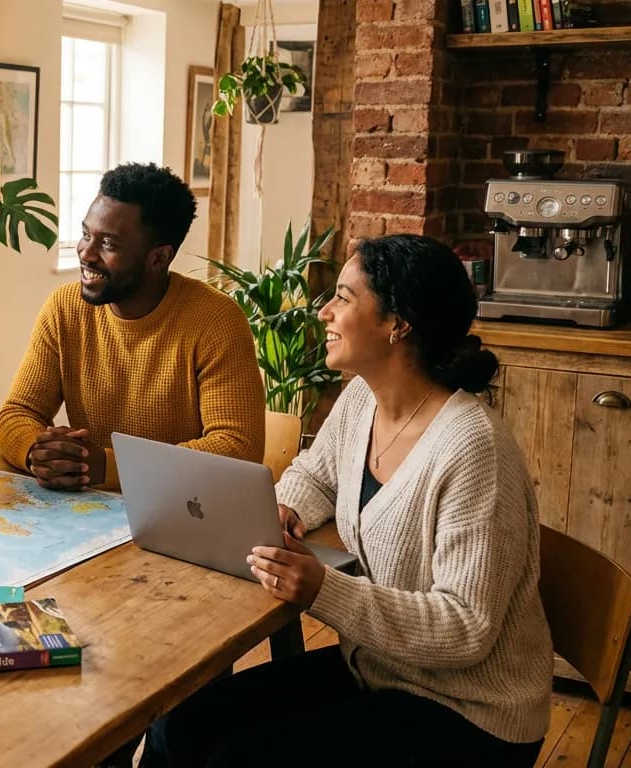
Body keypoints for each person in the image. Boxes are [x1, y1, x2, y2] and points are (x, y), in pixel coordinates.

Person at [140, 234, 552, 767]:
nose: (324, 312)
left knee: (232, 758)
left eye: (343, 297)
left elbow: (465, 628)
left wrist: (324, 590)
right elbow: (316, 472)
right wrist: (286, 510)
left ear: (397, 324)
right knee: (182, 725)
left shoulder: (472, 449)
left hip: (469, 712)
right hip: (381, 668)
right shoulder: (364, 397)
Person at [0, 162, 265, 491]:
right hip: (90, 511)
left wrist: (107, 467)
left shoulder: (215, 320)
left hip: (184, 513)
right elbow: (18, 412)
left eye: (108, 244)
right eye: (85, 234)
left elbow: (237, 449)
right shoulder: (64, 308)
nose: (86, 253)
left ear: (159, 258)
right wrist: (37, 452)